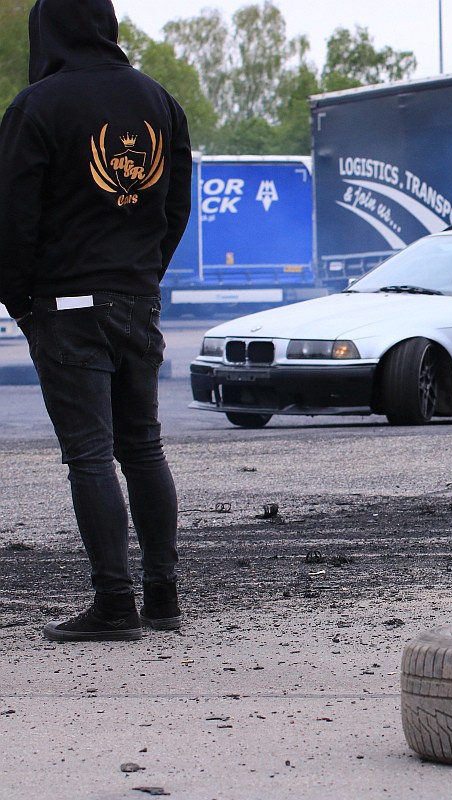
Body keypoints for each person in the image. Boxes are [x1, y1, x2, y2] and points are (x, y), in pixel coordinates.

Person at [0, 0, 192, 639]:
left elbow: (14, 219)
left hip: (68, 305)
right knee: (143, 447)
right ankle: (162, 597)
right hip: (137, 300)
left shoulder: (38, 106)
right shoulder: (159, 102)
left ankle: (114, 605)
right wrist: (144, 276)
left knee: (90, 455)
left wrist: (21, 303)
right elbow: (175, 206)